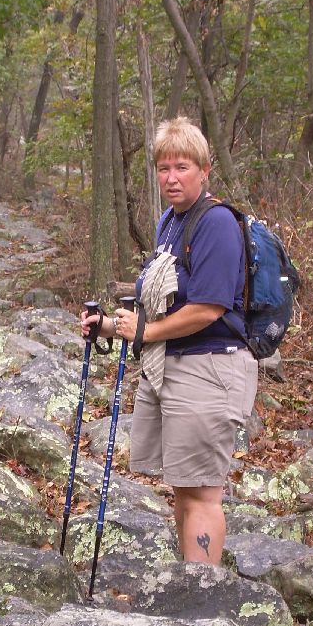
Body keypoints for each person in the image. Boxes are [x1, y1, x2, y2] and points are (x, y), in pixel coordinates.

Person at [81, 116, 258, 566]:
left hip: (211, 368)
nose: (171, 178)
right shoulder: (170, 222)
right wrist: (109, 326)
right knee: (183, 488)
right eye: (163, 168)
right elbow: (161, 304)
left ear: (204, 169)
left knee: (201, 493)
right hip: (176, 366)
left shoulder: (217, 223)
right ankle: (189, 584)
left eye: (182, 167)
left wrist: (147, 333)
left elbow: (209, 307)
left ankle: (200, 602)